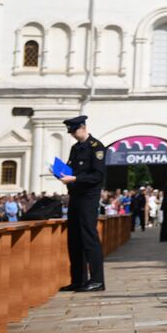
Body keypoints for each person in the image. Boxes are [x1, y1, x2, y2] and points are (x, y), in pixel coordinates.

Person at [59, 114, 107, 292]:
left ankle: (97, 279)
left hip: (88, 196)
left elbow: (97, 175)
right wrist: (61, 173)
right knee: (74, 239)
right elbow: (71, 167)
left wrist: (75, 178)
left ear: (83, 127)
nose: (72, 134)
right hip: (75, 196)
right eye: (70, 132)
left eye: (74, 131)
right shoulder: (75, 148)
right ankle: (78, 279)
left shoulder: (96, 147)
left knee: (89, 237)